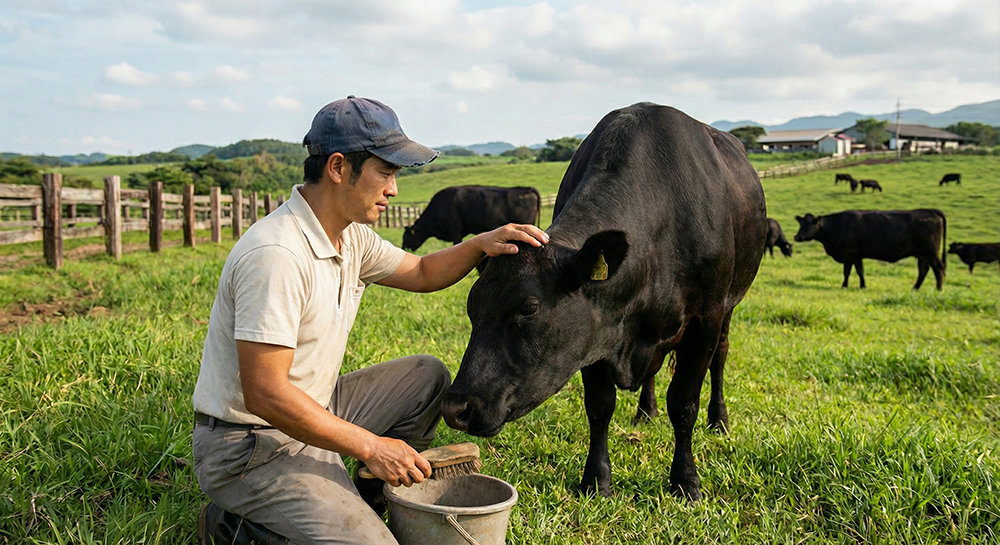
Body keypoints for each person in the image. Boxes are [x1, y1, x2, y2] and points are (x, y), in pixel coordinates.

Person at [191, 96, 548, 544]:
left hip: (312, 411)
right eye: (386, 172)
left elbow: (420, 271)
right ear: (339, 168)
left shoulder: (349, 236)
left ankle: (362, 492)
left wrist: (482, 243)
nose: (393, 189)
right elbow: (265, 394)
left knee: (426, 376)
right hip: (249, 447)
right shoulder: (277, 255)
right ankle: (232, 527)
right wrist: (370, 446)